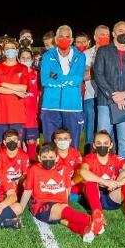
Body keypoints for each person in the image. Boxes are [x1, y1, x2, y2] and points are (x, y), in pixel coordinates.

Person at [22, 143, 95, 242]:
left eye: (51, 157)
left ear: (57, 158)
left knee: (65, 219)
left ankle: (84, 231)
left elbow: (67, 189)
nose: (48, 160)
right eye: (44, 157)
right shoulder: (34, 169)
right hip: (42, 207)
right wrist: (21, 208)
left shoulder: (63, 168)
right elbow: (28, 190)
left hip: (58, 207)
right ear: (39, 158)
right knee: (63, 209)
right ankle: (92, 220)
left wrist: (66, 205)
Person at [93, 21, 125, 160]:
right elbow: (98, 74)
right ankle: (102, 174)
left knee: (124, 142)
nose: (124, 32)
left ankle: (124, 175)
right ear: (114, 33)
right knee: (102, 141)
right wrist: (112, 95)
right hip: (106, 101)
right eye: (120, 30)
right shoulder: (103, 51)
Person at [39, 25, 86, 157]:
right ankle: (50, 170)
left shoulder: (80, 56)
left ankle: (71, 171)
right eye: (61, 37)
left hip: (72, 106)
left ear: (71, 40)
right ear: (56, 39)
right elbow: (45, 80)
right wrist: (67, 81)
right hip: (50, 106)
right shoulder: (48, 56)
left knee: (72, 144)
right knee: (50, 143)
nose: (64, 39)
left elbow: (77, 79)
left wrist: (57, 77)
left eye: (67, 37)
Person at [81, 129, 125, 228]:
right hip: (93, 198)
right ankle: (97, 215)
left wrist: (120, 183)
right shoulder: (89, 158)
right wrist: (105, 182)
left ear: (110, 145)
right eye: (99, 143)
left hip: (113, 197)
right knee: (90, 180)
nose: (102, 146)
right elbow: (83, 172)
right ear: (94, 145)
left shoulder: (116, 158)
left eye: (105, 143)